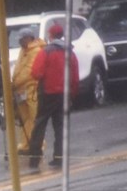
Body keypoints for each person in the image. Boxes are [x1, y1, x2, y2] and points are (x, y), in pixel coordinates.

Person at [27, 23, 79, 169]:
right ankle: (59, 158)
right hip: (64, 95)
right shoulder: (70, 52)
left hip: (47, 94)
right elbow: (75, 77)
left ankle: (34, 159)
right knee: (61, 127)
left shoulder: (46, 52)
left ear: (50, 36)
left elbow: (36, 72)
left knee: (39, 126)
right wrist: (72, 94)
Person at [11, 27, 45, 153]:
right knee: (25, 119)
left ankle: (38, 144)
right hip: (21, 90)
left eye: (21, 39)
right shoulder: (23, 50)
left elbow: (30, 71)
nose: (19, 42)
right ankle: (27, 143)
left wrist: (15, 82)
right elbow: (19, 68)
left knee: (34, 117)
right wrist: (14, 82)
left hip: (32, 89)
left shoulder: (36, 51)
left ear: (28, 38)